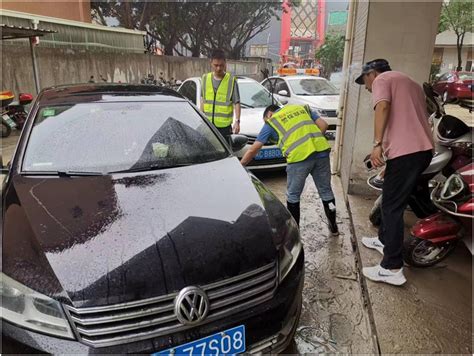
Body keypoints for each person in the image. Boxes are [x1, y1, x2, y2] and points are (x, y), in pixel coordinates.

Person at [355, 59, 434, 286]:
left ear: (372, 74)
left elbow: (383, 107)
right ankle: (384, 241)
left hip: (408, 153)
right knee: (396, 199)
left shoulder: (382, 79)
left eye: (365, 81)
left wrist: (377, 143)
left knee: (391, 207)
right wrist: (391, 161)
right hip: (420, 150)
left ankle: (391, 267)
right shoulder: (409, 82)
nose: (368, 87)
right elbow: (407, 123)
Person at [240, 104, 339, 236]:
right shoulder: (301, 108)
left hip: (299, 158)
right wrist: (311, 142)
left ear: (269, 114)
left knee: (293, 196)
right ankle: (333, 228)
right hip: (321, 152)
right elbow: (324, 125)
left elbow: (254, 149)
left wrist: (240, 166)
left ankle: (295, 232)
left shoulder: (272, 121)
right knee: (326, 191)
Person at [200, 49, 241, 143]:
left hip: (224, 127)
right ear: (211, 63)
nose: (218, 68)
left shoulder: (231, 80)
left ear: (225, 64)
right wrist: (201, 118)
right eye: (216, 65)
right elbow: (203, 100)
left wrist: (237, 121)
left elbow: (237, 102)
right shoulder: (205, 78)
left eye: (221, 65)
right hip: (208, 125)